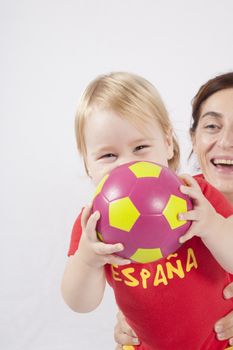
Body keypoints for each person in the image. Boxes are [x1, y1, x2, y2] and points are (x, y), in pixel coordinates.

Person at [61, 72, 233, 350]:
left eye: (140, 147)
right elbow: (80, 304)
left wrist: (212, 226)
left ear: (167, 143)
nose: (127, 164)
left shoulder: (198, 197)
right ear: (87, 165)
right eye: (108, 155)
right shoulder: (92, 226)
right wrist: (87, 259)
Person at [113, 72, 233, 349]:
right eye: (213, 126)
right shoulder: (171, 205)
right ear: (193, 136)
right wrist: (139, 321)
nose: (226, 142)